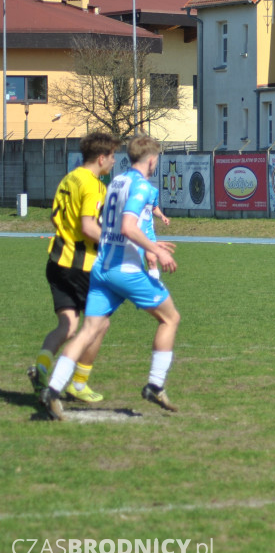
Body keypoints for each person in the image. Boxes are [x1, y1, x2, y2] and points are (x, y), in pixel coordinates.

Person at [39, 135, 181, 421]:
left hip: (102, 268)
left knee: (89, 330)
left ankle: (53, 389)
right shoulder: (141, 186)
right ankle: (155, 384)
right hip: (124, 270)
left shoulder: (116, 182)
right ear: (152, 160)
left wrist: (150, 245)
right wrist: (155, 250)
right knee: (170, 318)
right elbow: (129, 226)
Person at [29, 131, 121, 403]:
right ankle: (79, 383)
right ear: (101, 158)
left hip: (56, 261)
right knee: (99, 324)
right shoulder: (93, 185)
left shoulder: (69, 178)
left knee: (68, 326)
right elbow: (88, 226)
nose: (114, 162)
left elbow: (54, 216)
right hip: (81, 265)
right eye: (113, 156)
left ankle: (42, 369)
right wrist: (117, 239)